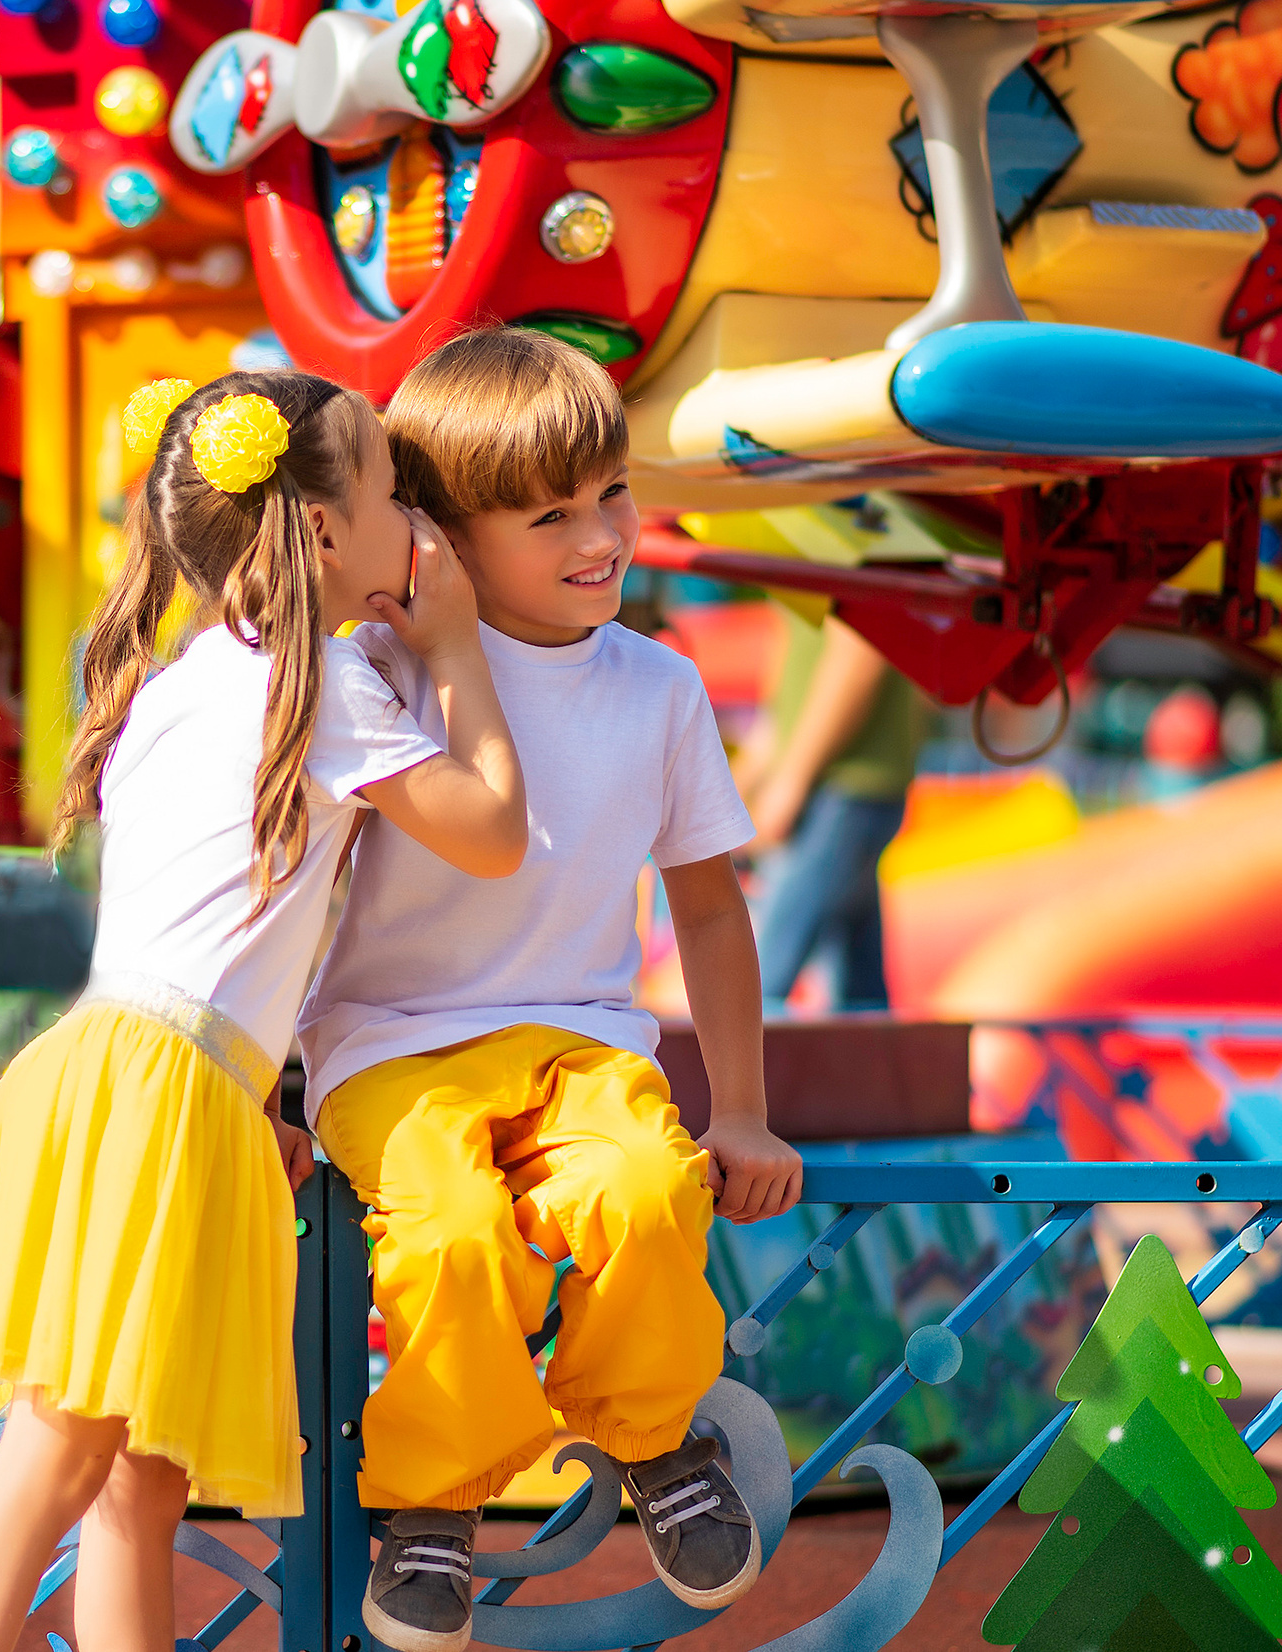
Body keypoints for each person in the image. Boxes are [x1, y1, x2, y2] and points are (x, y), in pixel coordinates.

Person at [0, 371, 529, 1652]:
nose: (413, 519)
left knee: (134, 1481)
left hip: (133, 1077)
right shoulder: (320, 684)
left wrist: (254, 1099)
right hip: (161, 1094)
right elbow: (494, 832)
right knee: (58, 1464)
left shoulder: (190, 673)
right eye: (391, 491)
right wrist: (457, 648)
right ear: (320, 528)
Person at [299, 328, 804, 1652]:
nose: (601, 536)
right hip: (391, 1047)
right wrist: (265, 1084)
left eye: (611, 494)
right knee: (456, 1232)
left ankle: (652, 1438)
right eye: (550, 516)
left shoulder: (660, 686)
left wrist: (740, 1111)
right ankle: (434, 1502)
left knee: (648, 1188)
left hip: (580, 1045)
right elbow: (291, 886)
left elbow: (708, 905)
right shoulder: (378, 673)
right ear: (444, 538)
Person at [734, 612, 925, 1018]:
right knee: (858, 989)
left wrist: (791, 781)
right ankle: (874, 1061)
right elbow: (792, 680)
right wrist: (749, 777)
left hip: (842, 785)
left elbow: (857, 657)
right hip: (846, 784)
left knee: (759, 982)